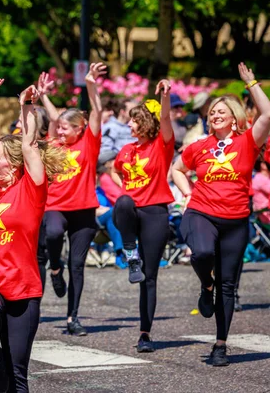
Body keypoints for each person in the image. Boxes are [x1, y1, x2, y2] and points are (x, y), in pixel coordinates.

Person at [0, 80, 65, 393]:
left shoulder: (30, 191)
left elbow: (30, 146)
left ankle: (3, 365)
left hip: (23, 287)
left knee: (18, 376)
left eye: (0, 157)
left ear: (15, 163)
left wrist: (25, 106)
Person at [171, 63, 270, 366]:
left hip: (236, 219)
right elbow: (176, 169)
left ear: (234, 118)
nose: (215, 116)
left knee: (229, 284)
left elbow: (267, 115)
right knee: (201, 253)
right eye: (212, 112)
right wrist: (187, 193)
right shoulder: (198, 146)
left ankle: (220, 345)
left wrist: (251, 83)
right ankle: (205, 285)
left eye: (221, 112)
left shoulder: (247, 142)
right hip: (201, 211)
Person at [36, 63, 106, 336]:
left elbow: (97, 112)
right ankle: (55, 268)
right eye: (60, 129)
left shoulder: (89, 142)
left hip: (84, 210)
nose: (60, 132)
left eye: (66, 129)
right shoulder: (54, 144)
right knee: (52, 234)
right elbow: (54, 119)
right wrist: (43, 96)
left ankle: (72, 318)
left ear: (80, 129)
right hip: (55, 207)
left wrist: (91, 85)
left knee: (78, 266)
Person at [111, 79, 174, 353]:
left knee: (149, 277)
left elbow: (167, 119)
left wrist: (165, 97)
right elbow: (114, 171)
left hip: (155, 213)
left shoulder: (161, 145)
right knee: (123, 201)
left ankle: (145, 333)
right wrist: (121, 187)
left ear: (146, 123)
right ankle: (129, 251)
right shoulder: (126, 151)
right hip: (130, 212)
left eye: (133, 121)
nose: (128, 125)